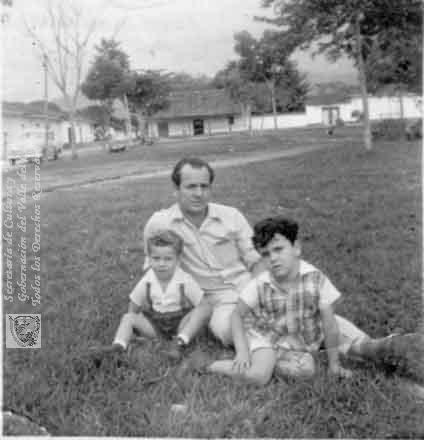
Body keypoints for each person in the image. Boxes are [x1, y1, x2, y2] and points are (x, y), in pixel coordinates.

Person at [182, 216, 423, 385]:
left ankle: (386, 350)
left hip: (306, 333)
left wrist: (334, 365)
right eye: (266, 254)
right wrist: (243, 352)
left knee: (334, 345)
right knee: (259, 375)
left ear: (296, 247)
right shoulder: (261, 283)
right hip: (267, 335)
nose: (273, 259)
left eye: (279, 249)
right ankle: (207, 364)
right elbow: (237, 315)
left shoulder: (314, 279)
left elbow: (329, 324)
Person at [143, 157, 264, 347]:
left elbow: (256, 260)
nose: (199, 193)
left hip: (244, 287)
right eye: (191, 187)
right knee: (228, 329)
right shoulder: (160, 223)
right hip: (206, 300)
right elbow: (153, 270)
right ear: (176, 189)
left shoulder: (231, 216)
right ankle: (272, 344)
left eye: (204, 186)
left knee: (289, 305)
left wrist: (261, 291)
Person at [90, 229, 212, 364]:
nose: (161, 264)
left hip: (180, 324)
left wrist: (195, 322)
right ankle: (118, 347)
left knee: (205, 308)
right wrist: (133, 327)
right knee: (128, 318)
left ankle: (180, 342)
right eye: (156, 258)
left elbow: (202, 304)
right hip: (155, 324)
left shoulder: (185, 280)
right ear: (149, 259)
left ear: (178, 260)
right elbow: (134, 303)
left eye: (168, 259)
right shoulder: (147, 280)